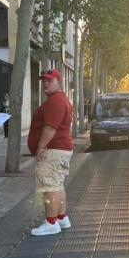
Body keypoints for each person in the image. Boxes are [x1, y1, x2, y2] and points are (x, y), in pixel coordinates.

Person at [28, 69, 74, 236]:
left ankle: (51, 222)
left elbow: (50, 128)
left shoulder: (55, 101)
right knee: (57, 184)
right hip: (61, 149)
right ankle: (61, 218)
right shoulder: (60, 100)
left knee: (50, 187)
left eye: (50, 80)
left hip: (53, 150)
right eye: (44, 81)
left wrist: (40, 147)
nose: (46, 83)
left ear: (58, 82)